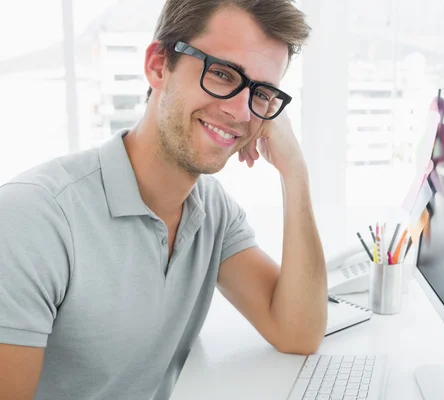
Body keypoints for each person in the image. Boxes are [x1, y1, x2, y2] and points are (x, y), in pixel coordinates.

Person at [0, 1, 327, 399]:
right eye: (222, 74)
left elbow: (298, 332)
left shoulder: (212, 211)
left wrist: (295, 172)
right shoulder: (32, 220)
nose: (241, 111)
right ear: (158, 65)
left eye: (262, 94)